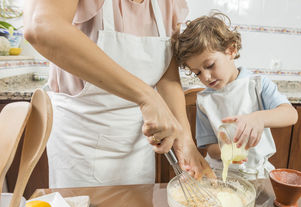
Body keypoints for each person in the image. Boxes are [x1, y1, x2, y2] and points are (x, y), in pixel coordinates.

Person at [23, 0, 214, 188]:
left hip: (136, 145)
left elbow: (167, 74)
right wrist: (146, 96)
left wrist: (185, 141)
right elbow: (41, 27)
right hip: (81, 142)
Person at [172, 12, 298, 177]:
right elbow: (210, 148)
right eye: (197, 73)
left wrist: (259, 118)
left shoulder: (257, 84)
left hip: (255, 175)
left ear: (231, 50)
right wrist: (227, 149)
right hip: (218, 173)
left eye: (209, 65)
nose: (206, 77)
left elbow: (291, 114)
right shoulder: (204, 101)